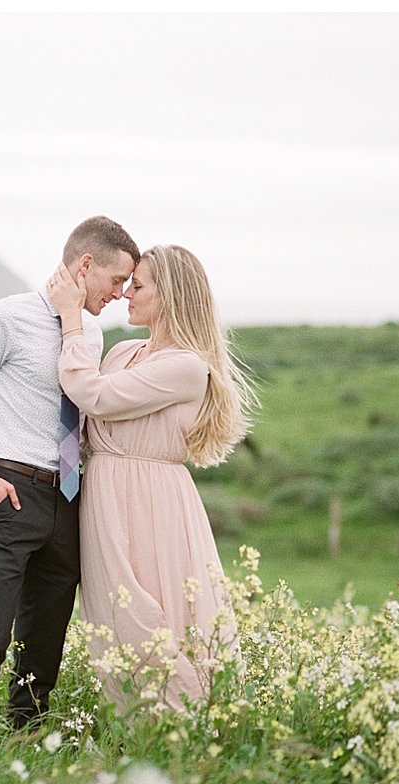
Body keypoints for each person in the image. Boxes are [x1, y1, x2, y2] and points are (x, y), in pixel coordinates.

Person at [0, 216, 140, 728]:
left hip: (71, 497)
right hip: (11, 491)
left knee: (44, 648)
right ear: (85, 265)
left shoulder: (89, 333)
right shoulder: (6, 317)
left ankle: (25, 740)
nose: (121, 293)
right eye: (117, 281)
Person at [45, 244, 254, 713]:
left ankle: (186, 721)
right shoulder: (122, 352)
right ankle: (135, 726)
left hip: (153, 501)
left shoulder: (185, 366)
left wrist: (71, 319)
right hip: (105, 497)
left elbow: (92, 395)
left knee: (156, 610)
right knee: (113, 615)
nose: (125, 295)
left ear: (171, 295)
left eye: (137, 286)